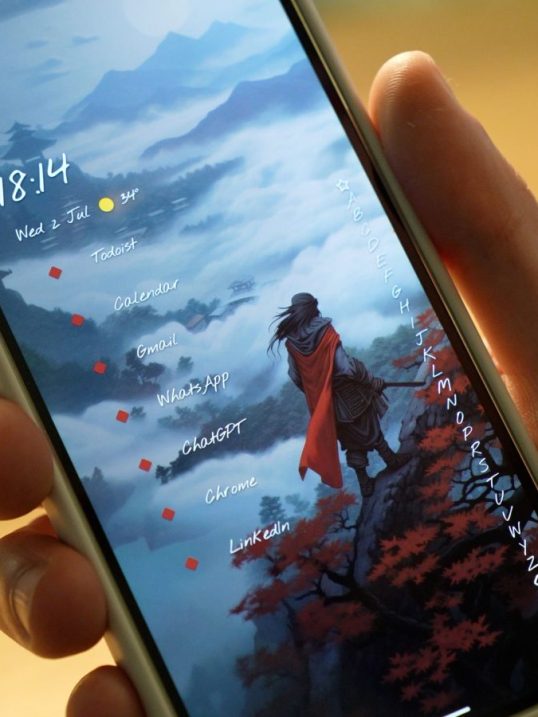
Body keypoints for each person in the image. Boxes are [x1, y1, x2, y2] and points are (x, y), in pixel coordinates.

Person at [2, 52, 538, 716]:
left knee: (362, 444)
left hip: (336, 404)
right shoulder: (318, 337)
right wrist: (360, 375)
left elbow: (315, 374)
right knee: (368, 439)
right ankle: (379, 472)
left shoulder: (300, 344)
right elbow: (342, 368)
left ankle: (375, 474)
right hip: (346, 397)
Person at [270, 293, 410, 497]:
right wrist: (369, 379)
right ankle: (392, 460)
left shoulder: (292, 343)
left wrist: (318, 389)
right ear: (312, 308)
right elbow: (346, 367)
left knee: (350, 440)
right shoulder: (325, 330)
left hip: (327, 404)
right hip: (349, 393)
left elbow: (295, 376)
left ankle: (364, 483)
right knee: (370, 430)